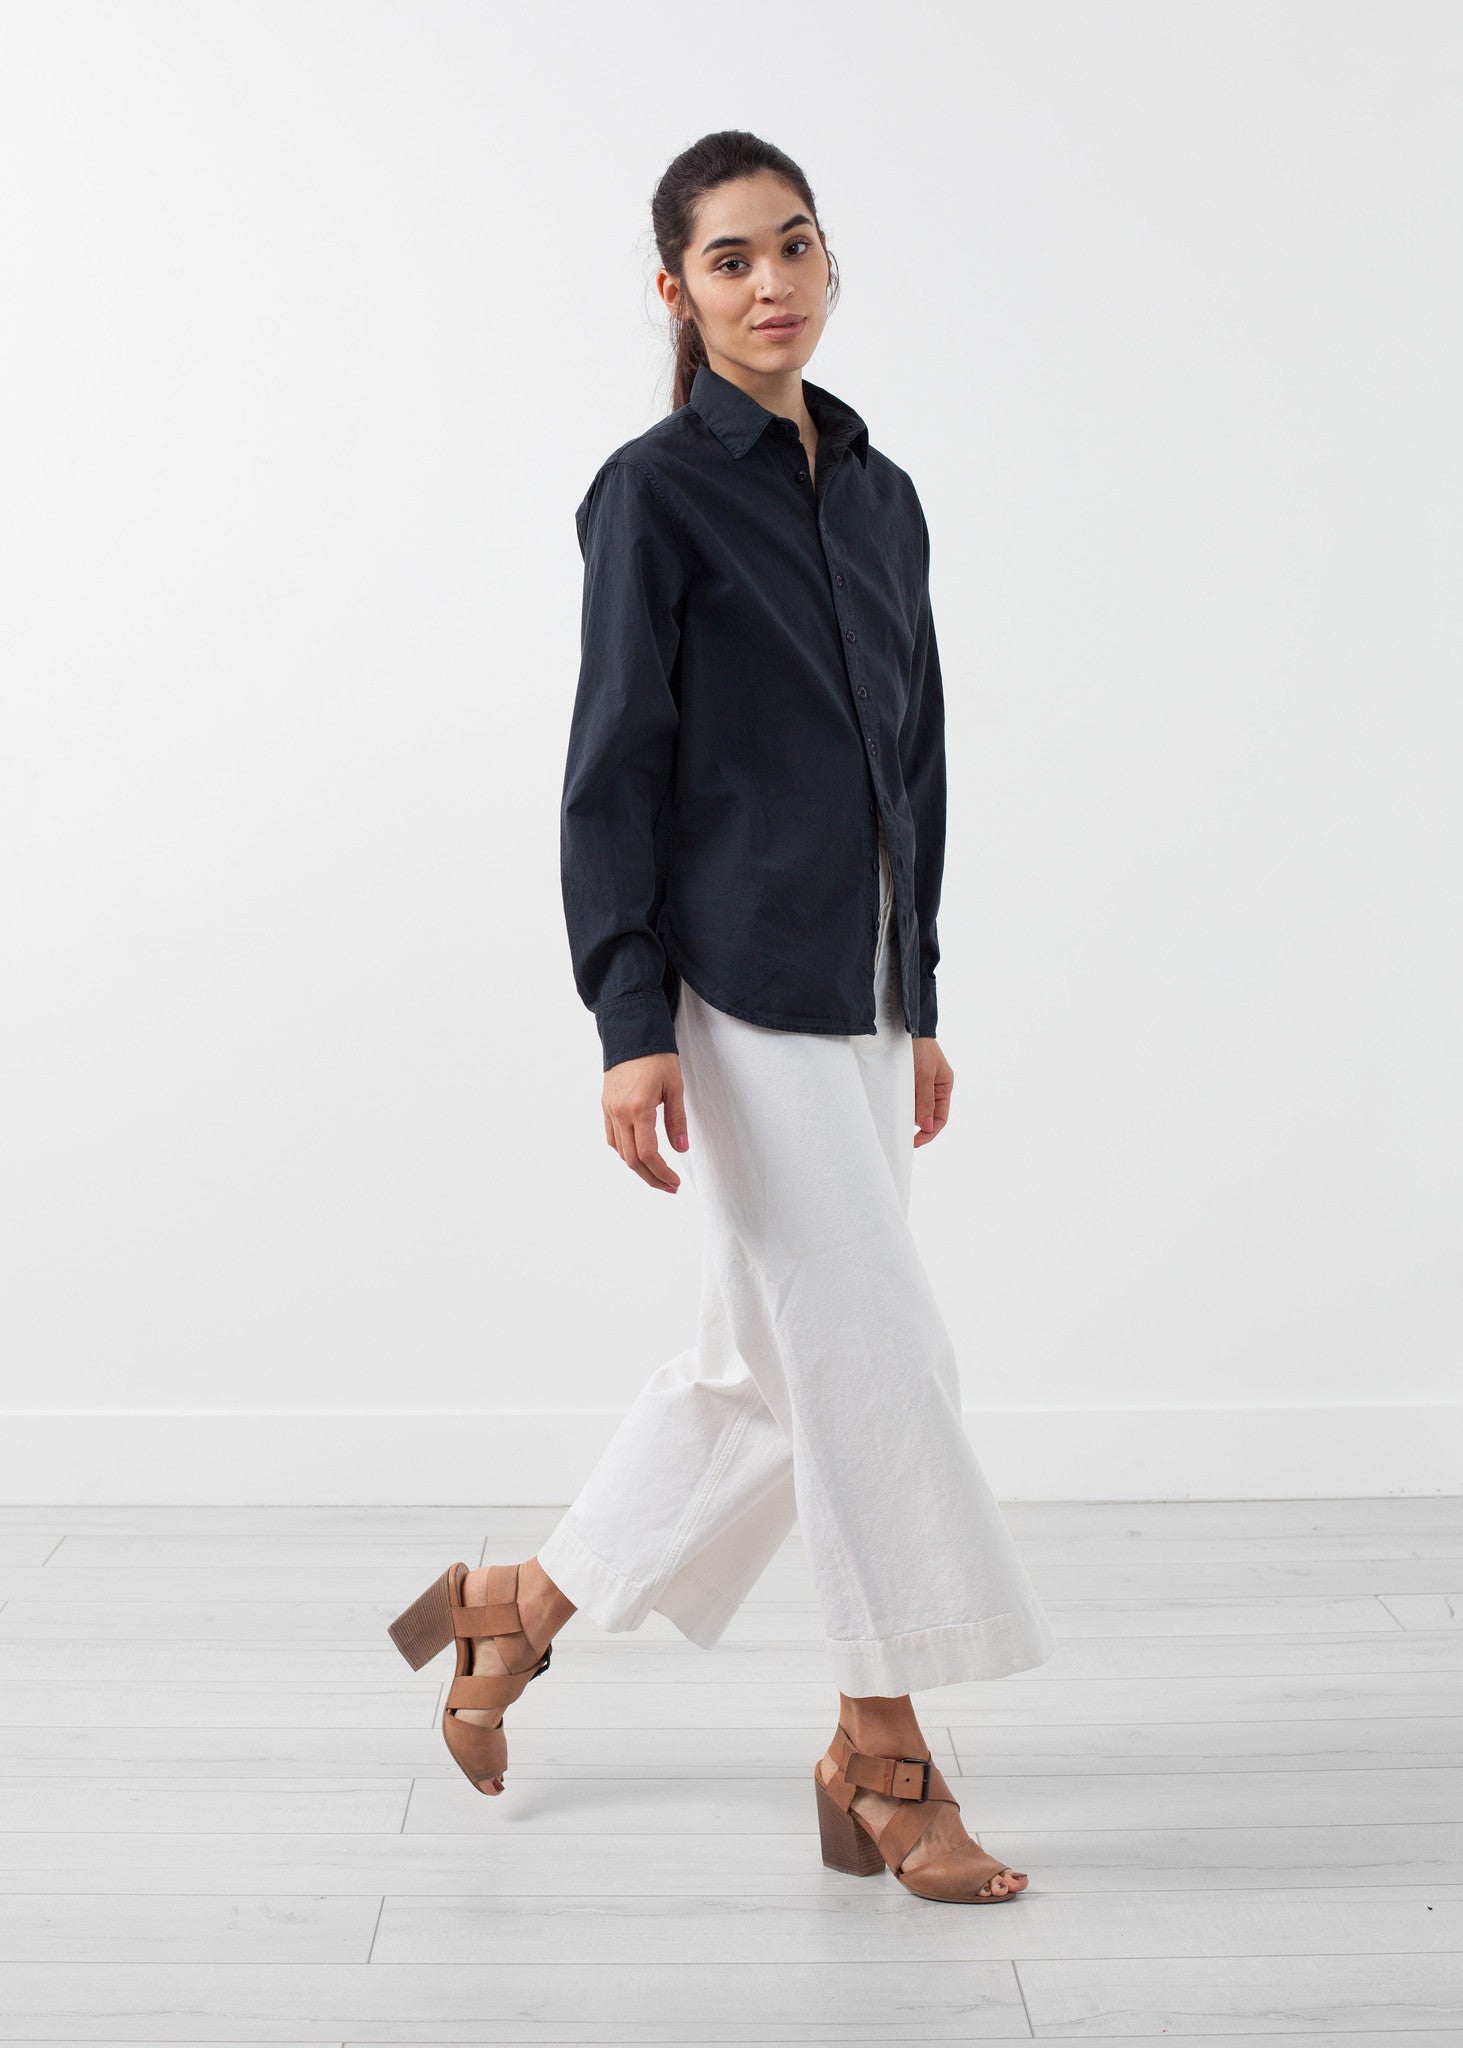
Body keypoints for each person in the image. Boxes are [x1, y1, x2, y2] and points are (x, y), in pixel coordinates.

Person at [388, 129, 1057, 1906]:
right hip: (735, 985)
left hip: (860, 981)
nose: (773, 285)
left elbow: (915, 762)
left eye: (797, 246)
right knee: (873, 1353)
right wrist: (629, 1017)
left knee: (765, 1373)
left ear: (832, 264)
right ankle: (882, 1751)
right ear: (674, 290)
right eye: (732, 259)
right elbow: (613, 765)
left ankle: (513, 1609)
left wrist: (918, 993)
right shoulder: (652, 494)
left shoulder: (885, 496)